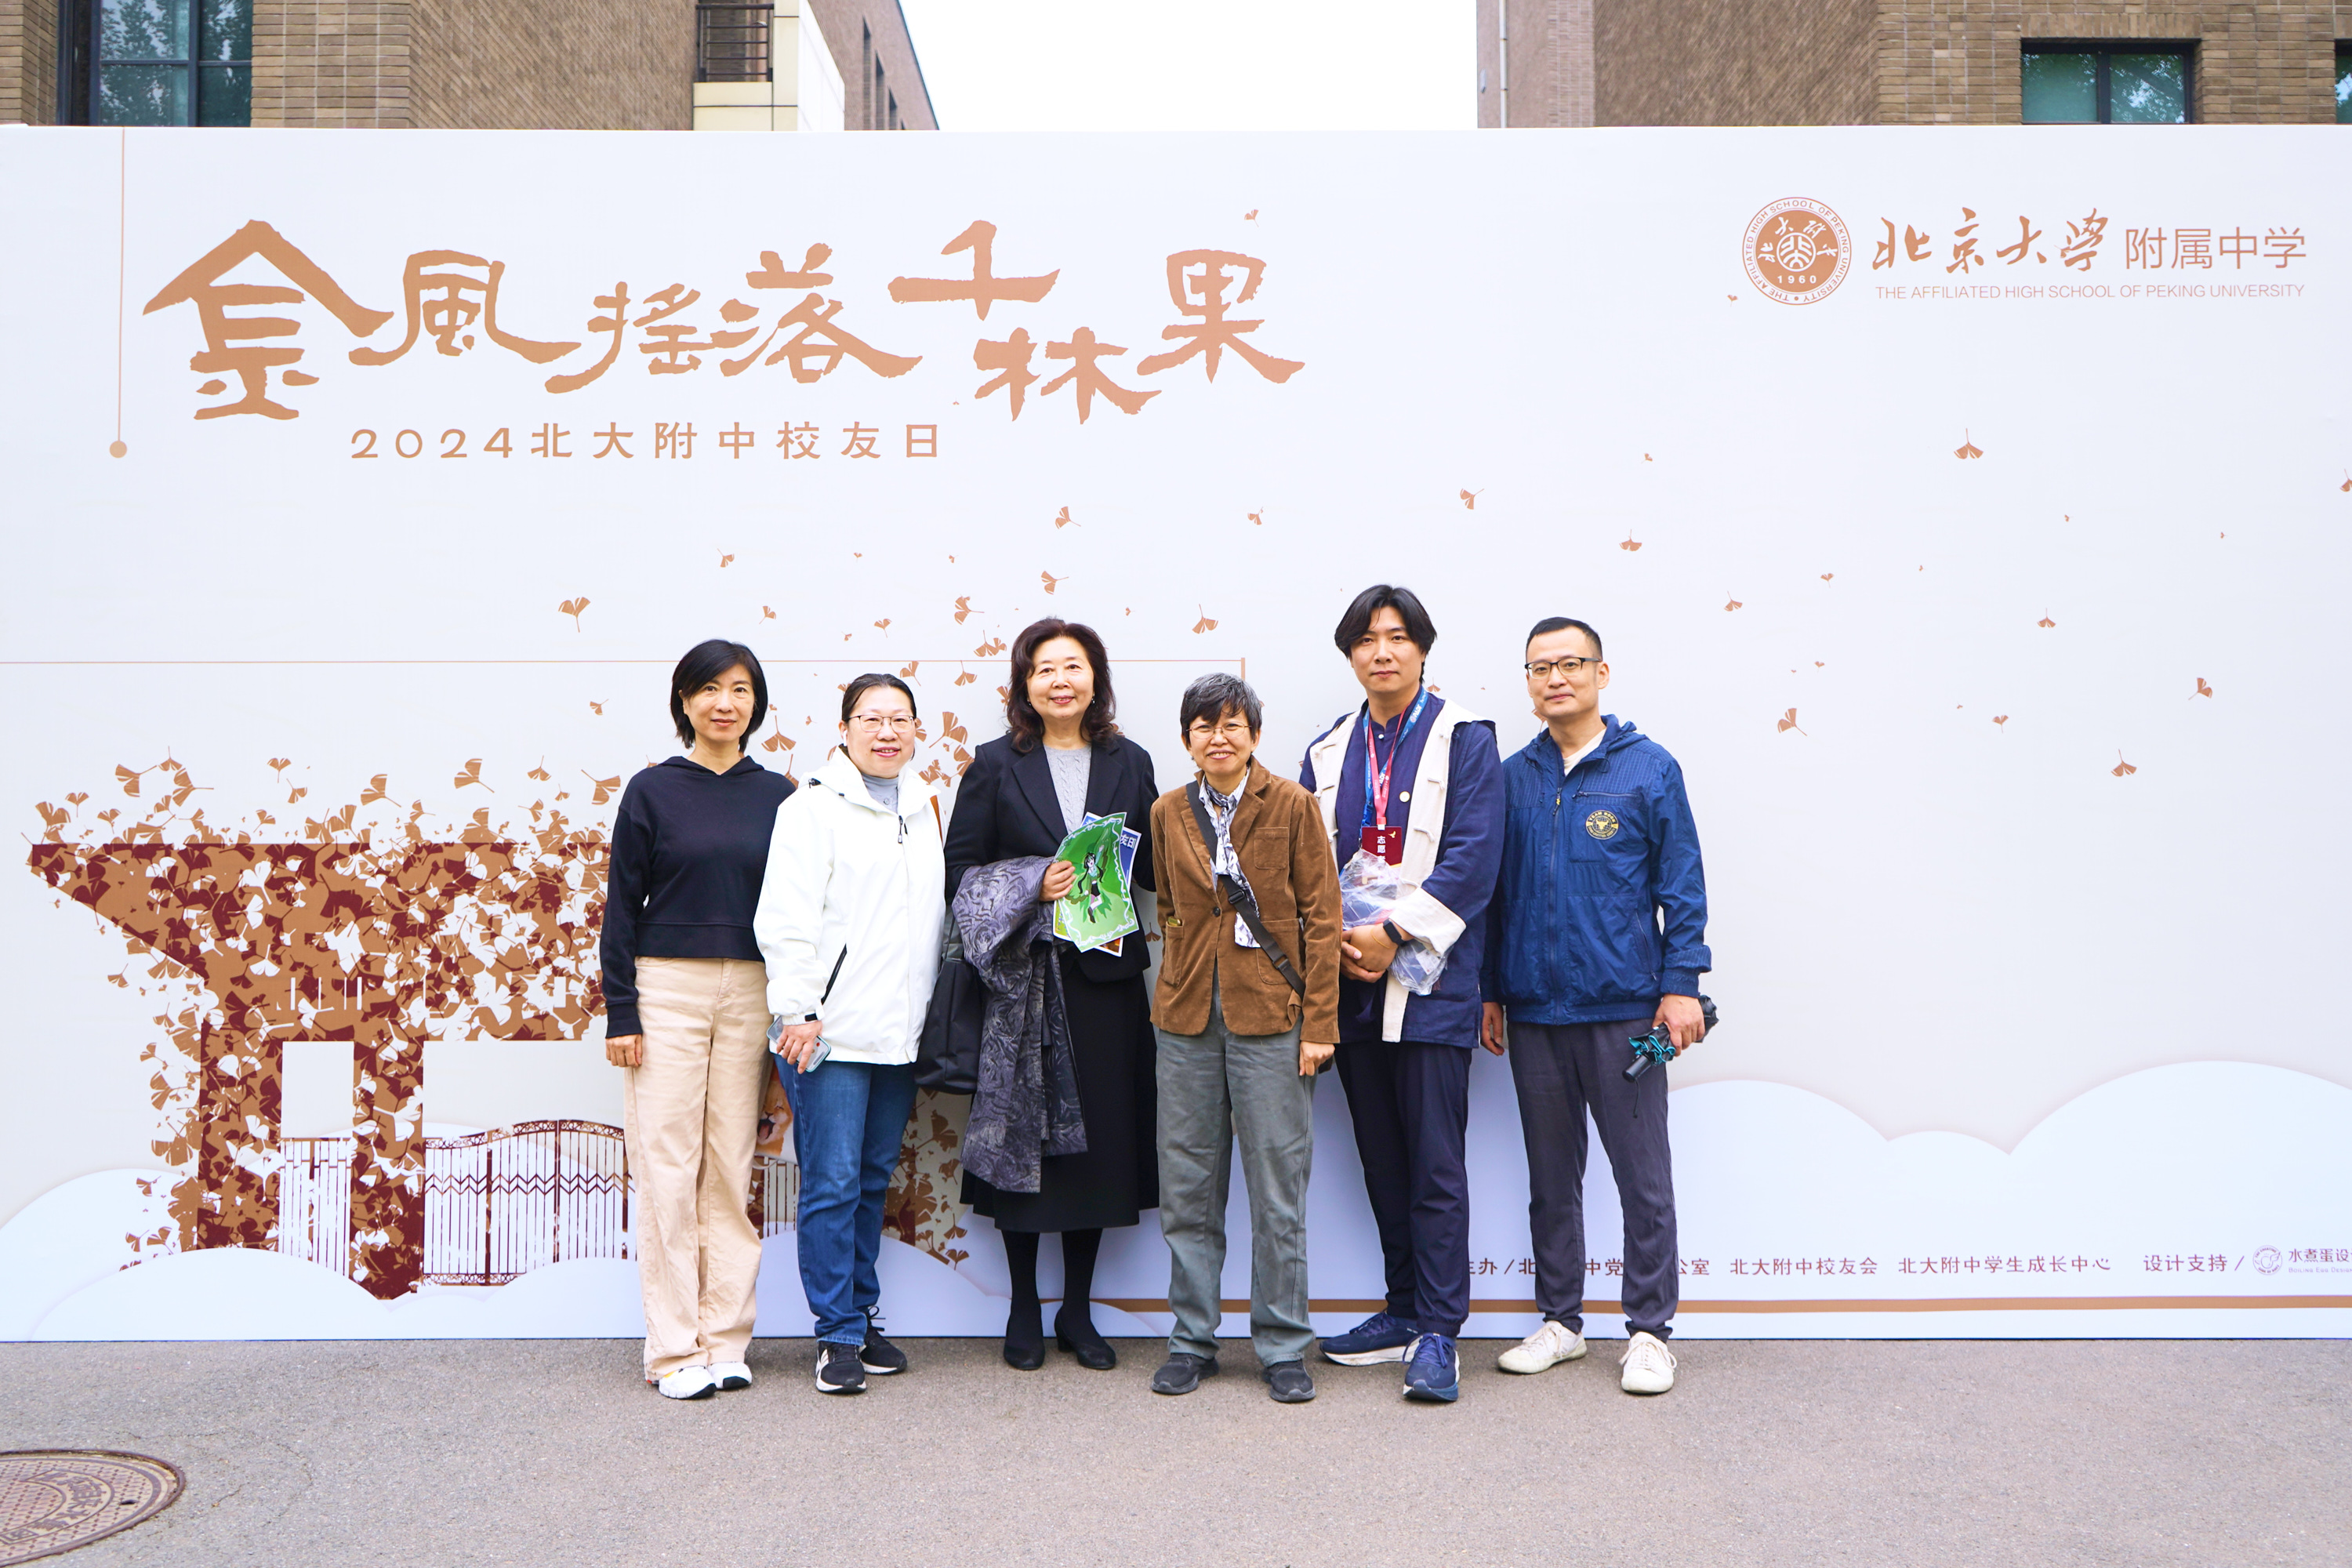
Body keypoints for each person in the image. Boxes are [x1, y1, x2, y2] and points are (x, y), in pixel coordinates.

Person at [1480, 616, 1711, 1396]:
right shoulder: (1511, 778)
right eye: (1540, 666)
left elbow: (1682, 888)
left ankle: (1649, 1332)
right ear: (1528, 681)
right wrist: (1490, 989)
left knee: (1643, 1178)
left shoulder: (1649, 769)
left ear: (1601, 673)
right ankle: (1561, 1321)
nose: (1556, 678)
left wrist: (1681, 985)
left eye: (1571, 663)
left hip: (1625, 1011)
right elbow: (1495, 897)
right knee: (1552, 1179)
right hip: (1535, 1011)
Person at [1300, 586, 1504, 1404]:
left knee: (1434, 1164)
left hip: (1432, 985)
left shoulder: (1465, 737)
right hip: (1349, 982)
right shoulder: (1328, 748)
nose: (1381, 652)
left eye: (1396, 637)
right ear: (1349, 654)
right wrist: (1335, 942)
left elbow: (1475, 857)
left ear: (1422, 648)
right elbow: (1308, 861)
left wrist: (1395, 932)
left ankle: (1441, 1331)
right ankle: (1403, 1308)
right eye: (1366, 640)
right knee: (1382, 1158)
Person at [942, 619, 1160, 1371]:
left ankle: (1078, 1309)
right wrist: (1031, 882)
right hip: (1025, 986)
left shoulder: (1131, 761)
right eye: (1044, 669)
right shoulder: (994, 763)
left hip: (1106, 981)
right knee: (1024, 1147)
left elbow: (1153, 868)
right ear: (1024, 685)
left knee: (1098, 1150)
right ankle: (1023, 1307)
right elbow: (960, 875)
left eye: (1073, 666)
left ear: (1096, 679)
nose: (1059, 681)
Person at [601, 639, 795, 1400]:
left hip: (752, 988)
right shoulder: (652, 790)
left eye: (741, 689)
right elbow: (622, 907)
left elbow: (795, 910)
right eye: (710, 688)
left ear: (756, 704)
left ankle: (725, 1339)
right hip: (666, 988)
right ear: (685, 701)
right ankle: (674, 1350)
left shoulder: (780, 795)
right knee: (667, 1169)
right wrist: (623, 1010)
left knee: (730, 1166)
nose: (725, 702)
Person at [1147, 673, 1342, 1404]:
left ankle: (1283, 1346)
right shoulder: (1168, 811)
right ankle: (1191, 1341)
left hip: (1273, 1019)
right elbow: (1170, 906)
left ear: (1255, 735)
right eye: (1204, 726)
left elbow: (1323, 918)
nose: (1219, 737)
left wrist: (1319, 1024)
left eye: (1232, 724)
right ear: (1187, 739)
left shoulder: (1291, 804)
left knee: (1277, 1192)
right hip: (1186, 1020)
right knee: (1188, 1189)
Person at [755, 673, 946, 1396]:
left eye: (900, 719)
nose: (887, 732)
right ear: (844, 730)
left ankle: (861, 1319)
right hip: (826, 1034)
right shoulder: (811, 808)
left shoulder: (925, 806)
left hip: (898, 1034)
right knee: (831, 1185)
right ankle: (834, 1334)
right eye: (871, 718)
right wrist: (797, 1010)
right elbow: (786, 918)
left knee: (869, 1181)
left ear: (916, 730)